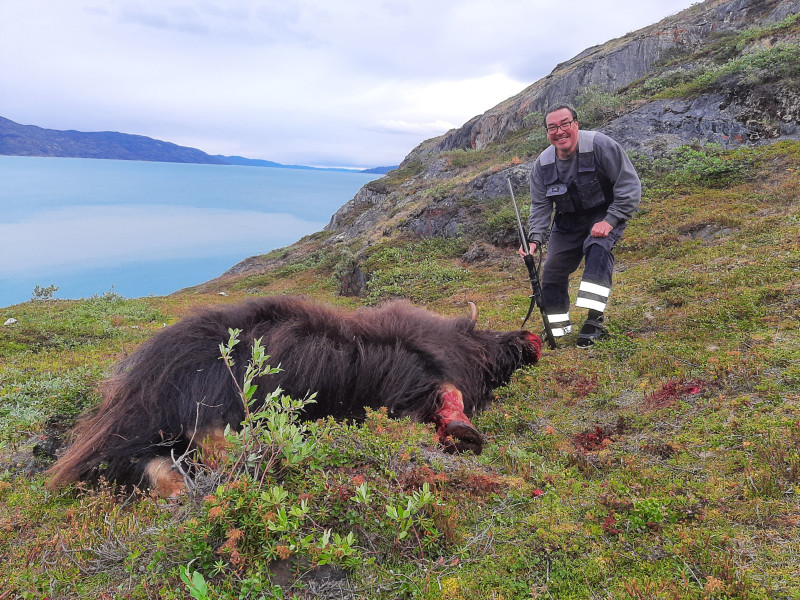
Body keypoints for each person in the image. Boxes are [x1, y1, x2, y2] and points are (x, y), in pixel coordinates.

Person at [520, 103, 641, 348]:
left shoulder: (601, 146)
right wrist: (534, 239)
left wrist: (610, 220)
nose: (560, 131)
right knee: (552, 268)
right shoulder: (542, 165)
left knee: (597, 248)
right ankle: (557, 329)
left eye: (565, 124)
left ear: (576, 124)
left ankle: (594, 321)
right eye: (552, 127)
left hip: (604, 213)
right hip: (568, 220)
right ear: (547, 133)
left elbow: (628, 186)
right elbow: (541, 206)